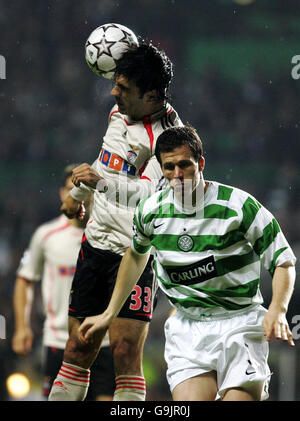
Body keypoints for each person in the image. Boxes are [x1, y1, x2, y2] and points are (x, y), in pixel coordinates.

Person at [78, 125, 297, 401]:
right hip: (188, 328)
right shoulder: (150, 211)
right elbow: (136, 255)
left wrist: (277, 309)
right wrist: (109, 313)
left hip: (239, 324)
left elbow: (283, 260)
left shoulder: (239, 206)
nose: (177, 175)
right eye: (169, 168)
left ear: (200, 163)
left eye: (184, 165)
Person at [48, 42, 182, 401]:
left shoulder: (169, 138)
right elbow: (104, 162)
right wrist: (76, 197)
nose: (113, 92)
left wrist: (100, 185)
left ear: (151, 95)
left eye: (123, 88)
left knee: (124, 354)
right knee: (77, 348)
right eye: (115, 84)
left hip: (133, 254)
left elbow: (147, 194)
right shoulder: (117, 113)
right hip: (94, 245)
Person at [12, 164, 115, 401]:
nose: (79, 196)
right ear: (62, 195)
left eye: (85, 189)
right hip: (59, 340)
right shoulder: (46, 236)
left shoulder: (111, 234)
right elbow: (25, 279)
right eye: (73, 189)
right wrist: (21, 327)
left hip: (104, 341)